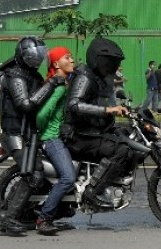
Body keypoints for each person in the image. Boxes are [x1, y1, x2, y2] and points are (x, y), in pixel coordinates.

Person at [0, 36, 63, 233]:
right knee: (33, 173)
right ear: (23, 56)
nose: (37, 60)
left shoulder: (33, 76)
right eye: (33, 57)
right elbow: (25, 105)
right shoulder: (14, 75)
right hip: (15, 134)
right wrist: (51, 85)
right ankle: (7, 218)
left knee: (43, 171)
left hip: (31, 134)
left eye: (39, 56)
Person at [60, 38, 131, 207]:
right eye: (107, 62)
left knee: (124, 137)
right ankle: (92, 191)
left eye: (112, 63)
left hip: (89, 132)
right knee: (120, 150)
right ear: (96, 60)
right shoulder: (85, 77)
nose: (109, 66)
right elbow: (74, 105)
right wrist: (107, 111)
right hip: (77, 136)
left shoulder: (97, 77)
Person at [35, 46, 76, 235]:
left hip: (55, 136)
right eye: (67, 58)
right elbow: (42, 114)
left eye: (72, 57)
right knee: (68, 177)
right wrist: (46, 130)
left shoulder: (63, 82)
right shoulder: (59, 86)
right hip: (51, 138)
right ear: (56, 63)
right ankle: (44, 218)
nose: (72, 61)